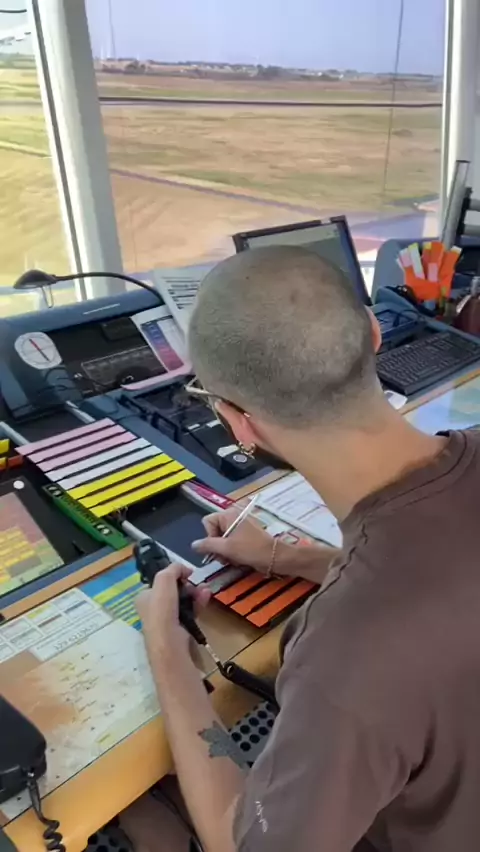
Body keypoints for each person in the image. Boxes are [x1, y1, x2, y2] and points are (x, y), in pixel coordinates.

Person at [125, 246, 480, 852]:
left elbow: (241, 843)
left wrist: (167, 655)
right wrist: (287, 558)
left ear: (238, 422)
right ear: (372, 334)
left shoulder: (346, 654)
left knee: (141, 809)